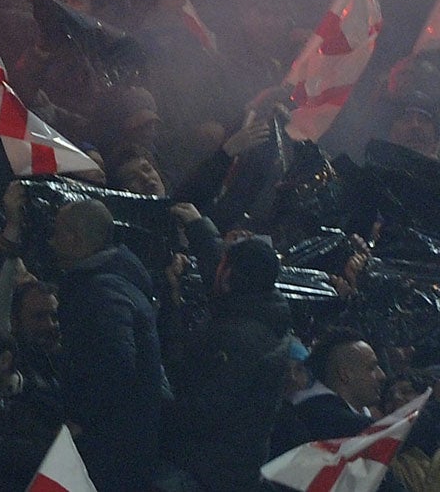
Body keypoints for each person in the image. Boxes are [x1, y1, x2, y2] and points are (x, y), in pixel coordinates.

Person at [50, 197, 167, 492]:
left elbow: (114, 363)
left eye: (57, 232)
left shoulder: (100, 289)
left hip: (111, 444)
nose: (51, 242)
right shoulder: (120, 282)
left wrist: (84, 421)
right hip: (130, 439)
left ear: (75, 238)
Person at [168, 235, 293, 492]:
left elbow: (200, 411)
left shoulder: (234, 337)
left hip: (205, 474)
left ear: (227, 274)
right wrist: (199, 229)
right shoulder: (265, 318)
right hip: (235, 471)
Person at [270, 329, 385, 456]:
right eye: (371, 368)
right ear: (345, 374)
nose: (382, 375)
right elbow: (394, 437)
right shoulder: (322, 417)